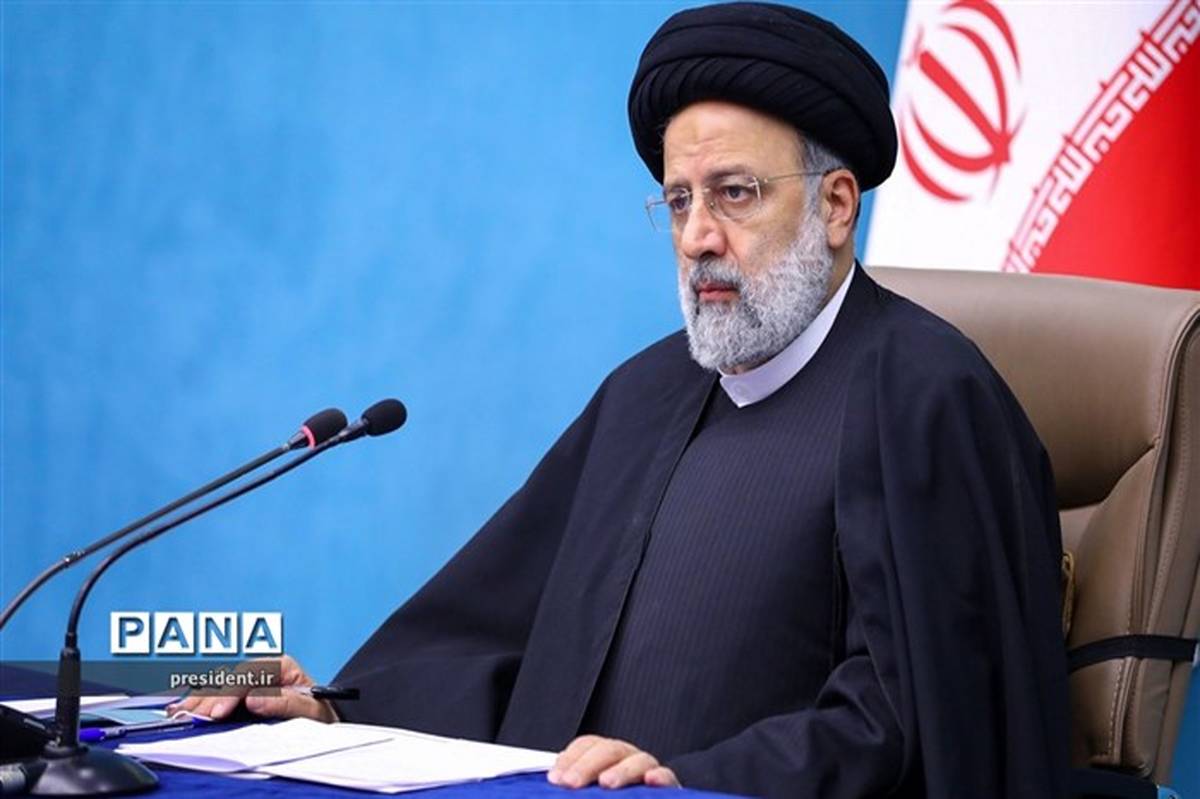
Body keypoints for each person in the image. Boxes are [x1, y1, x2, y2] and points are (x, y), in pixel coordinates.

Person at [174, 4, 1070, 797]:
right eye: (678, 202)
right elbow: (500, 638)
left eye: (734, 194)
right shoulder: (647, 393)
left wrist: (687, 779)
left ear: (837, 206)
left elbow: (915, 722)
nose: (698, 236)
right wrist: (333, 704)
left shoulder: (928, 398)